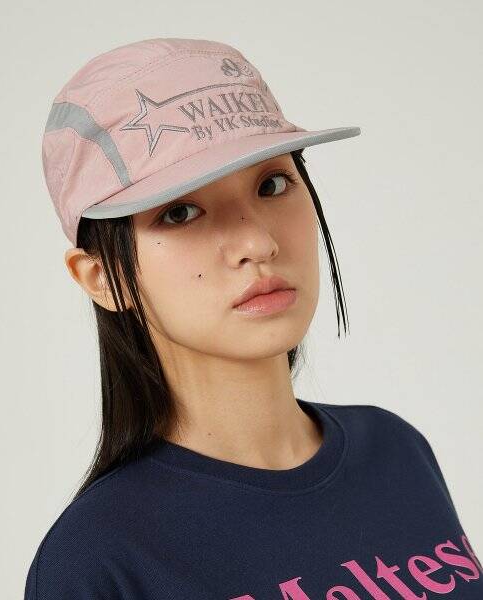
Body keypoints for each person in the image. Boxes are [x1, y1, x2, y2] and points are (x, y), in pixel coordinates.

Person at [24, 37, 482, 599]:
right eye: (181, 212)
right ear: (103, 278)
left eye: (272, 184)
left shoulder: (396, 452)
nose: (258, 242)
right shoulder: (99, 561)